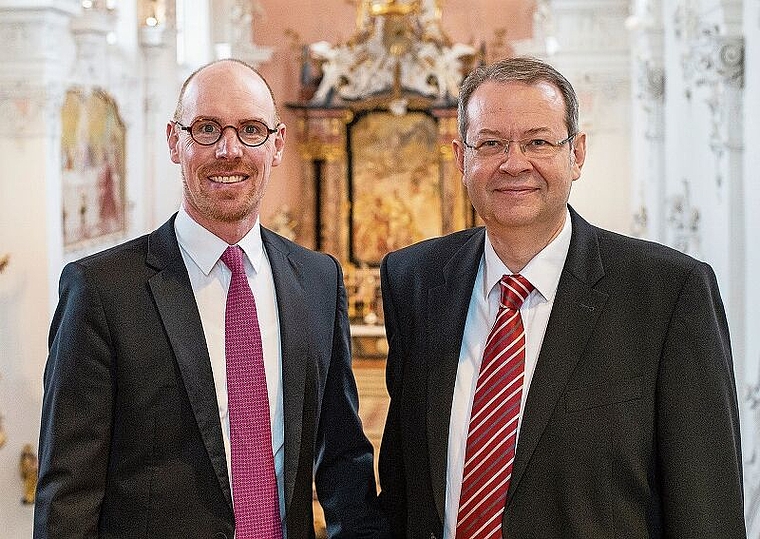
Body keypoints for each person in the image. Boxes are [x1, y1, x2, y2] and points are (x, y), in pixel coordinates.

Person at [377, 56, 746, 538]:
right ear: (460, 157)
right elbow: (404, 487)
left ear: (577, 154)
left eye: (538, 142)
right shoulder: (416, 280)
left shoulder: (668, 293)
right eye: (490, 143)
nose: (514, 163)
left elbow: (707, 510)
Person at [35, 58, 385, 539]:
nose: (229, 150)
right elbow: (69, 495)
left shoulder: (317, 280)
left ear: (277, 144)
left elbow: (343, 457)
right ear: (174, 141)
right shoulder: (100, 290)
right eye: (206, 129)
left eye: (250, 130)